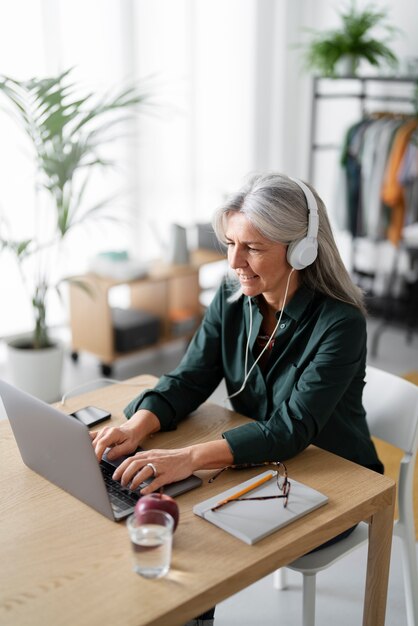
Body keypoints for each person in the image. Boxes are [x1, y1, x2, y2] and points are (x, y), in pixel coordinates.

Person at [91, 172, 383, 626]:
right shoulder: (231, 304)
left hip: (330, 476)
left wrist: (188, 458)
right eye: (230, 243)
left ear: (302, 248)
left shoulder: (340, 323)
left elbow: (291, 429)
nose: (234, 262)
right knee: (161, 508)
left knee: (193, 534)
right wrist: (137, 426)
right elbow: (189, 378)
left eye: (253, 247)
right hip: (257, 462)